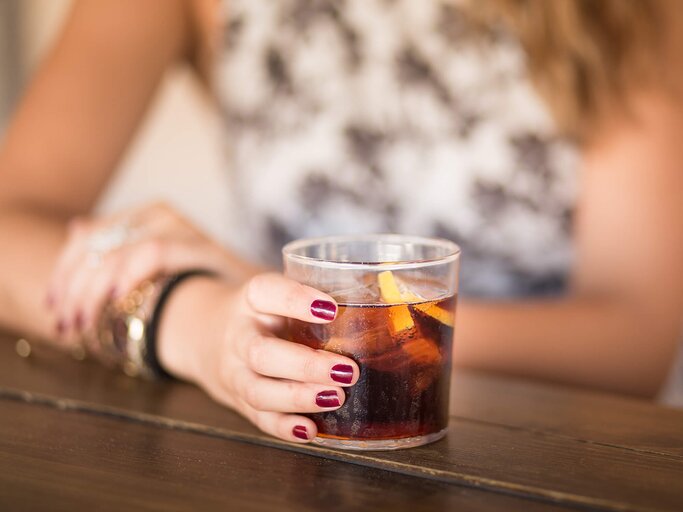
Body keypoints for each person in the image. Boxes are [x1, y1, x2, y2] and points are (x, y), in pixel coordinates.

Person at [0, 0, 682, 443]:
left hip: (549, 451)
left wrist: (331, 328)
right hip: (304, 435)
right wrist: (198, 318)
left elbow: (635, 340)